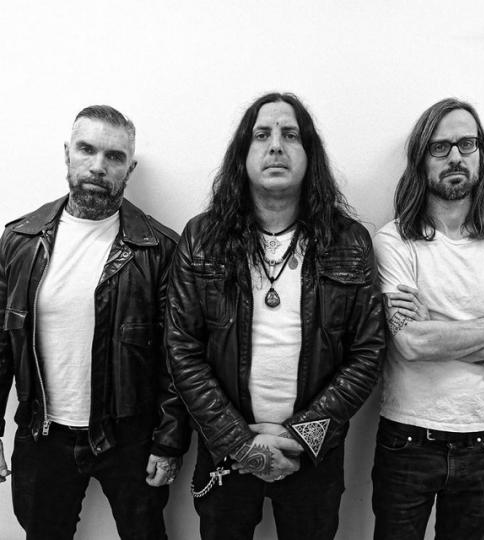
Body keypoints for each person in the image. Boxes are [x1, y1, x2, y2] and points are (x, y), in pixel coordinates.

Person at [165, 92, 385, 540]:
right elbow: (182, 349)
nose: (276, 146)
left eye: (291, 135)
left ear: (309, 154)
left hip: (313, 456)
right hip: (226, 451)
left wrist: (301, 436)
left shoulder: (349, 241)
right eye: (262, 135)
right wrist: (239, 444)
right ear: (243, 154)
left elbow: (368, 352)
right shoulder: (201, 238)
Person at [0, 105, 191, 539]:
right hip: (42, 433)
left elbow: (178, 356)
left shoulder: (160, 248)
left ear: (130, 168)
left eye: (114, 156)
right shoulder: (19, 240)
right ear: (67, 153)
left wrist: (169, 441)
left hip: (131, 436)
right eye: (87, 149)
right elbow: (1, 345)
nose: (98, 166)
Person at [371, 97, 484, 540]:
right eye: (440, 147)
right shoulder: (395, 241)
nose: (455, 157)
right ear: (422, 159)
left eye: (467, 144)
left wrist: (439, 331)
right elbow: (412, 343)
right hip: (408, 437)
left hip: (483, 439)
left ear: (481, 154)